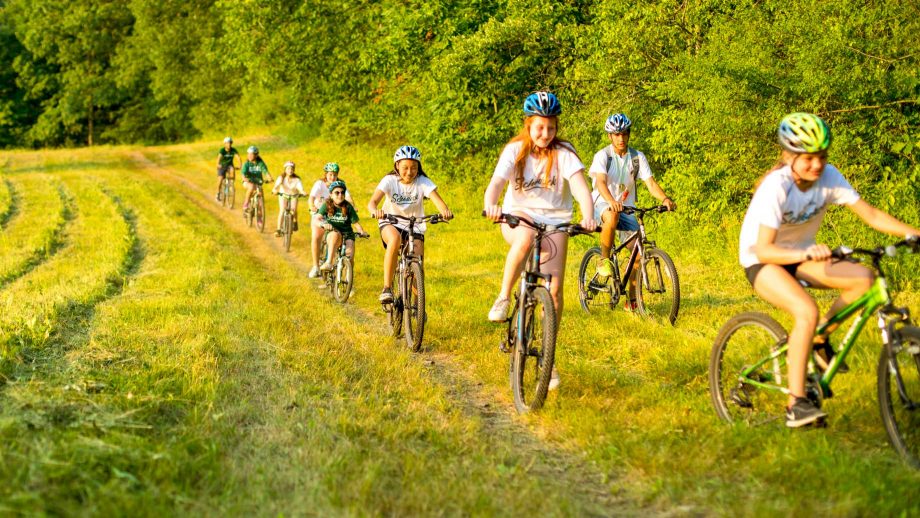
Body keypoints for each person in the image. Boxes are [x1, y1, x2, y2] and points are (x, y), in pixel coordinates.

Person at [739, 112, 920, 428]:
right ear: (789, 156)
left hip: (800, 255)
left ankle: (818, 338)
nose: (817, 165)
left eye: (821, 156)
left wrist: (913, 231)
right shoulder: (776, 186)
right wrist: (807, 250)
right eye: (808, 158)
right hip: (762, 259)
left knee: (866, 279)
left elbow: (872, 214)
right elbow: (764, 248)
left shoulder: (829, 177)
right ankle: (796, 403)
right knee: (805, 310)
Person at [483, 91, 596, 390]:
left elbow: (582, 189)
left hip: (556, 220)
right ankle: (504, 297)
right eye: (539, 127)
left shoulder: (565, 153)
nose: (545, 134)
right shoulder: (515, 150)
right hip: (519, 216)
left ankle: (548, 357)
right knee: (525, 239)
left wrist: (589, 215)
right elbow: (496, 183)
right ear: (528, 124)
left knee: (555, 290)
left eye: (551, 127)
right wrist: (492, 205)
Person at [588, 113, 676, 310]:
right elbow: (600, 182)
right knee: (611, 215)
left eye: (624, 134)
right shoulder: (603, 156)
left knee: (638, 252)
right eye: (617, 134)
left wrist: (665, 199)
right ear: (610, 136)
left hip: (627, 209)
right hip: (603, 204)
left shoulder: (637, 157)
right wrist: (611, 200)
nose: (621, 138)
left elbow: (651, 183)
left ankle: (632, 300)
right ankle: (604, 260)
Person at [368, 145, 453, 304]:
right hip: (390, 221)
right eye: (405, 167)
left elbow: (439, 202)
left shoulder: (422, 182)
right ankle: (387, 288)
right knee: (395, 240)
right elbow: (372, 202)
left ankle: (417, 304)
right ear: (397, 166)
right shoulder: (389, 181)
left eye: (414, 167)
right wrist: (375, 210)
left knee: (418, 261)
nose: (409, 172)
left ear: (418, 168)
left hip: (414, 225)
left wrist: (445, 211)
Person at [308, 163, 354, 278]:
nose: (332, 177)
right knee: (316, 236)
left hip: (333, 214)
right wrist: (312, 206)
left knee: (335, 236)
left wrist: (352, 205)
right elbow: (311, 198)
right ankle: (315, 266)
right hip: (320, 212)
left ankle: (331, 263)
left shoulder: (340, 184)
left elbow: (348, 196)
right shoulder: (320, 184)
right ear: (326, 174)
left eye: (334, 175)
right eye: (330, 174)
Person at [317, 180, 369, 271]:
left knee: (350, 256)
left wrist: (361, 231)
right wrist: (324, 224)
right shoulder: (327, 204)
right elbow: (317, 218)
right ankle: (328, 262)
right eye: (337, 193)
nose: (340, 195)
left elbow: (356, 223)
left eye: (342, 192)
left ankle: (348, 279)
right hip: (333, 232)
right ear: (331, 194)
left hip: (347, 234)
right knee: (334, 235)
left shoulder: (348, 206)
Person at [271, 161, 307, 237]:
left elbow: (300, 188)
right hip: (283, 195)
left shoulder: (297, 179)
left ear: (294, 170)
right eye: (288, 169)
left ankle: (295, 221)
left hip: (294, 195)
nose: (290, 170)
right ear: (285, 170)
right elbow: (276, 186)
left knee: (293, 210)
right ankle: (278, 229)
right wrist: (274, 190)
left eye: (292, 169)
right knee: (282, 210)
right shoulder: (281, 178)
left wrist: (303, 192)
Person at [241, 146, 273, 214]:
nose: (249, 156)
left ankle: (260, 217)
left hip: (258, 182)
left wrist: (269, 178)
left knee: (260, 198)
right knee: (251, 187)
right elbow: (243, 174)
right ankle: (246, 204)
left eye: (251, 154)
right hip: (247, 182)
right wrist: (244, 178)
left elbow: (265, 171)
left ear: (256, 155)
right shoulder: (246, 164)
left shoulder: (260, 163)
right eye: (248, 154)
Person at [215, 137, 241, 201]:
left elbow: (238, 157)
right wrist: (218, 164)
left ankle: (231, 184)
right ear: (225, 144)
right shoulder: (222, 150)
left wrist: (240, 165)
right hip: (222, 166)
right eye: (227, 143)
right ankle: (218, 194)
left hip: (229, 165)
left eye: (230, 143)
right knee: (220, 179)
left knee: (232, 170)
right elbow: (218, 158)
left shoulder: (233, 150)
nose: (229, 144)